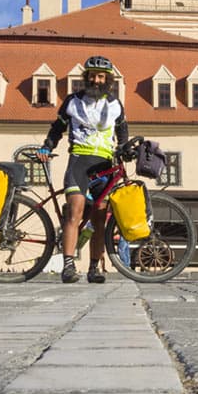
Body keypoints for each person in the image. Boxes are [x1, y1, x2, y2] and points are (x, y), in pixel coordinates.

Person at [38, 56, 128, 284]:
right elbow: (57, 128)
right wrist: (47, 147)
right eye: (92, 76)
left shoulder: (115, 105)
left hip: (105, 166)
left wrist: (126, 150)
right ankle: (68, 266)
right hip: (79, 162)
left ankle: (94, 268)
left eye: (101, 77)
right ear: (86, 77)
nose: (96, 80)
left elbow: (123, 133)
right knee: (74, 212)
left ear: (107, 80)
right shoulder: (72, 101)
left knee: (99, 219)